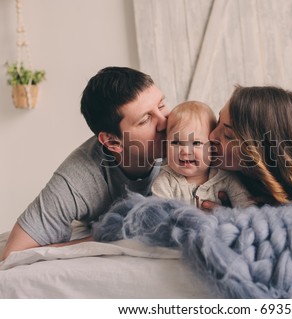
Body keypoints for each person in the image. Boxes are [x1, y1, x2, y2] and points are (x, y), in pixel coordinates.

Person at [1, 66, 170, 260]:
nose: (164, 122)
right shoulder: (80, 175)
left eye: (161, 105)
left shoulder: (186, 134)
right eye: (145, 119)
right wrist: (101, 238)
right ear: (113, 142)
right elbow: (14, 254)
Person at [151, 101, 254, 208]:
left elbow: (248, 211)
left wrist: (228, 217)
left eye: (196, 143)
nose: (185, 151)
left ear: (211, 147)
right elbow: (158, 216)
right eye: (176, 143)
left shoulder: (226, 178)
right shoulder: (164, 182)